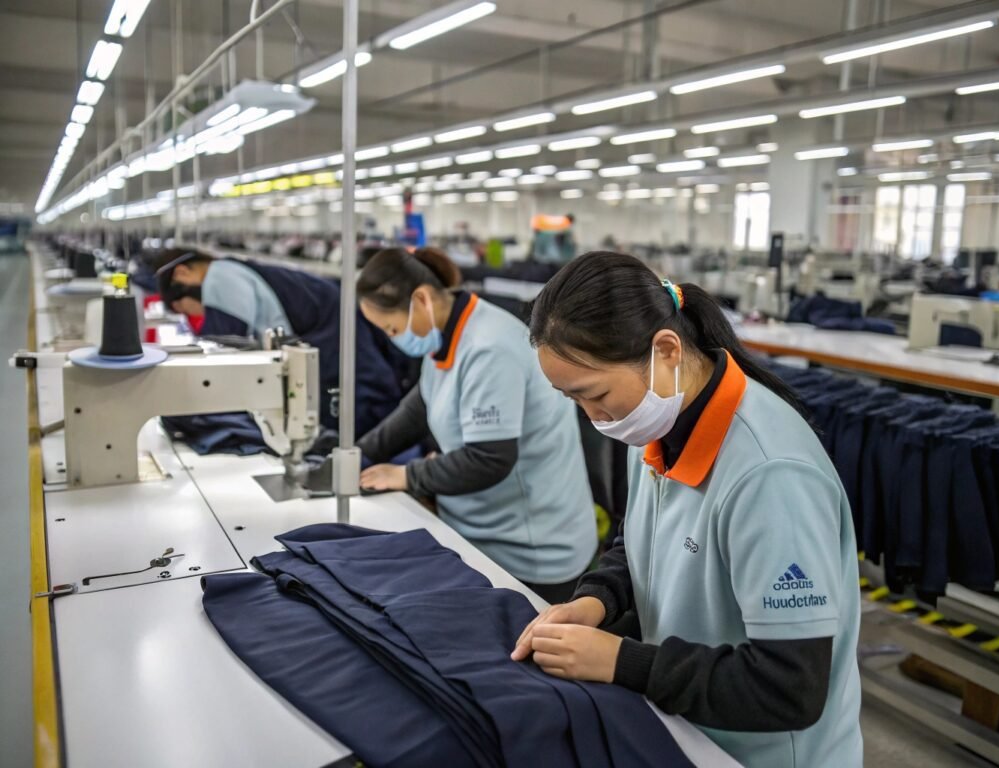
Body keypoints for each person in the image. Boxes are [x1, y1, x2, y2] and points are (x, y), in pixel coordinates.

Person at [511, 251, 862, 768]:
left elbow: (792, 688)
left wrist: (621, 660)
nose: (593, 418)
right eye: (573, 401)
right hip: (689, 730)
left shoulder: (770, 475)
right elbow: (642, 542)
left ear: (666, 350)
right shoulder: (656, 423)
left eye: (595, 394)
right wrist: (595, 602)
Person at [354, 246, 598, 603]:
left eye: (392, 329)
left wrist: (406, 475)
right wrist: (359, 453)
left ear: (421, 299)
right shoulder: (446, 335)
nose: (393, 339)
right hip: (477, 528)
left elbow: (489, 458)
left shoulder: (488, 349)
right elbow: (419, 407)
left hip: (530, 551)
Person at [155, 247, 412, 438]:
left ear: (182, 272)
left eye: (185, 308)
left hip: (330, 331)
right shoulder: (234, 270)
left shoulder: (220, 278)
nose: (195, 315)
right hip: (326, 323)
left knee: (357, 399)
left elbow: (223, 347)